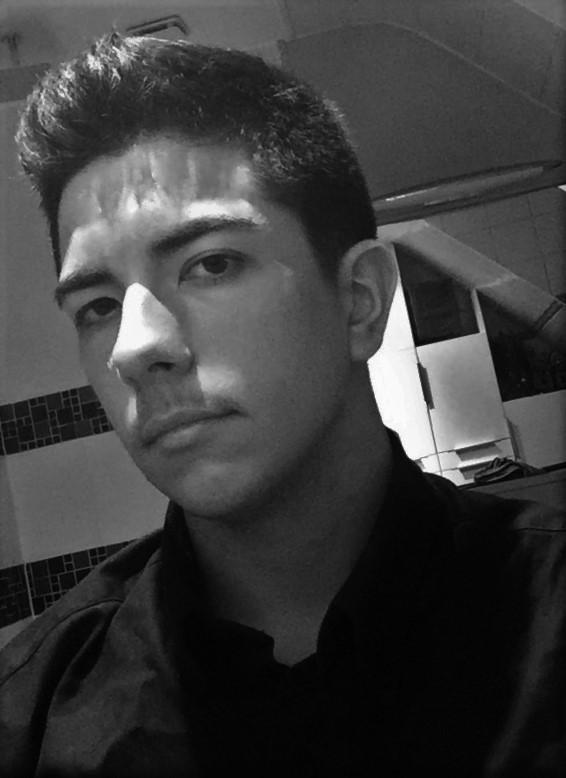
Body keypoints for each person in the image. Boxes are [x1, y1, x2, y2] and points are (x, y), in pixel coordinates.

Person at [1, 32, 565, 778]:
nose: (134, 347)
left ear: (359, 299)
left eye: (210, 264)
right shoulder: (33, 721)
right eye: (97, 307)